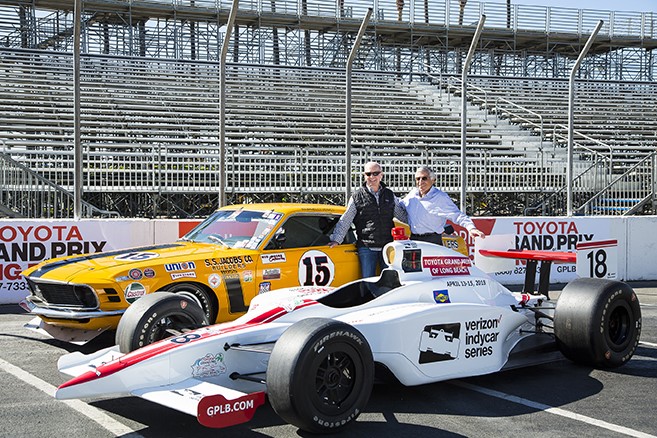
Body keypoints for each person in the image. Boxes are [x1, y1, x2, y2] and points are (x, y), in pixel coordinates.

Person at [329, 161, 407, 277]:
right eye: (368, 174)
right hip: (367, 247)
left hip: (388, 246)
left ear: (381, 175)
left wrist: (420, 226)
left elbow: (402, 216)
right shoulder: (357, 196)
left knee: (389, 281)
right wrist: (336, 239)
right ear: (364, 176)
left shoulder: (390, 195)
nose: (372, 177)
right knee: (368, 282)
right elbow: (346, 219)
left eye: (375, 173)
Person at [402, 166, 485, 244]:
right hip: (414, 240)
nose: (420, 182)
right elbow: (400, 206)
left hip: (432, 241)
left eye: (424, 178)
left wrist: (471, 228)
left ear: (433, 180)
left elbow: (458, 215)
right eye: (417, 179)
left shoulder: (440, 197)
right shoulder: (412, 194)